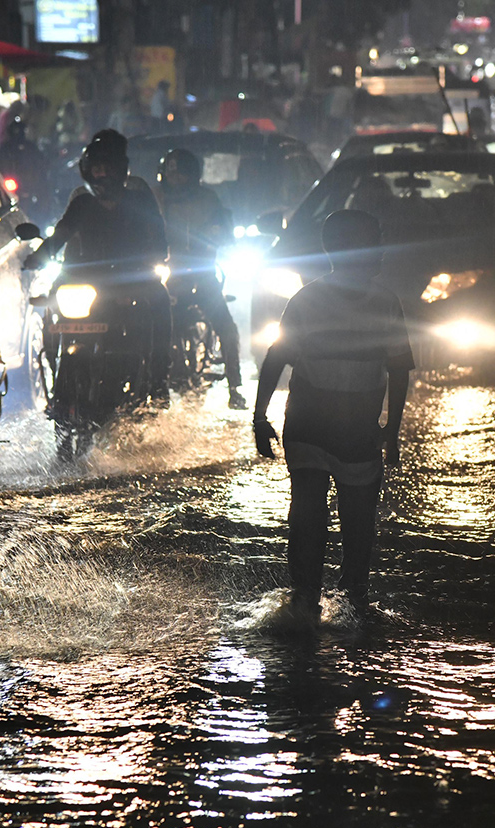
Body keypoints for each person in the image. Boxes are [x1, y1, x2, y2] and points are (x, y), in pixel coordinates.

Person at [252, 209, 414, 615]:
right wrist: (390, 432)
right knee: (341, 520)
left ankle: (313, 599)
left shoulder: (314, 300)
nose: (380, 250)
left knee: (325, 519)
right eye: (373, 240)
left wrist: (260, 417)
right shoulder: (378, 302)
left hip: (327, 426)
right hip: (333, 428)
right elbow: (398, 372)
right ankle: (338, 603)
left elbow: (276, 361)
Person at [23, 130, 174, 403]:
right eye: (96, 169)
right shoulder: (81, 202)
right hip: (83, 280)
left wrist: (153, 259)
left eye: (107, 169)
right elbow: (61, 235)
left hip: (130, 281)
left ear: (120, 170)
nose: (101, 175)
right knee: (53, 303)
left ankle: (159, 381)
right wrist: (38, 256)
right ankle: (58, 380)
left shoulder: (140, 200)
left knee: (160, 302)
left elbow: (158, 240)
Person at [156, 148, 246, 409]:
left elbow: (225, 231)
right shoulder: (156, 199)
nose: (176, 179)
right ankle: (157, 383)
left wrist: (216, 237)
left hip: (203, 275)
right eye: (171, 173)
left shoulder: (209, 199)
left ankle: (235, 386)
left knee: (227, 329)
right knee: (157, 325)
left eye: (181, 174)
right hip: (169, 275)